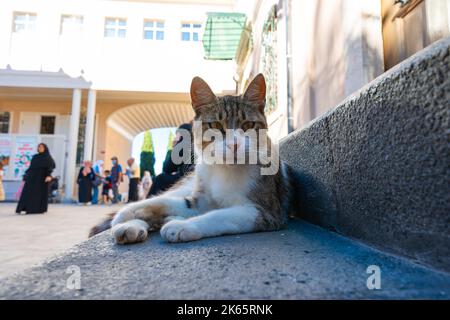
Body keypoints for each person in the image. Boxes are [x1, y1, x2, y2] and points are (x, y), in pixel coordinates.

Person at [147, 123, 194, 197]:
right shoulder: (193, 144)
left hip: (187, 180)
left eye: (177, 134)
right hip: (193, 180)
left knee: (160, 179)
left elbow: (167, 168)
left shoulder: (184, 144)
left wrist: (175, 147)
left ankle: (148, 205)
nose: (175, 137)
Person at [16, 143, 55, 214]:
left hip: (41, 178)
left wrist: (48, 175)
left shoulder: (48, 157)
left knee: (38, 193)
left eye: (41, 147)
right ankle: (25, 208)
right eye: (39, 147)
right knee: (28, 192)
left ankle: (37, 209)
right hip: (31, 177)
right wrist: (26, 175)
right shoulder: (35, 157)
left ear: (45, 148)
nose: (40, 148)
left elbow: (50, 167)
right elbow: (31, 167)